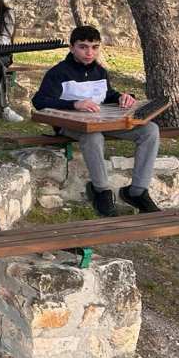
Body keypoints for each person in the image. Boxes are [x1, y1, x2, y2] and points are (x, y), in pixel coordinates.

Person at [31, 25, 161, 217]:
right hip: (70, 125)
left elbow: (106, 95)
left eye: (94, 47)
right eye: (83, 47)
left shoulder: (100, 72)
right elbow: (39, 101)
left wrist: (122, 97)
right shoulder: (58, 73)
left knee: (150, 130)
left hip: (102, 121)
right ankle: (101, 191)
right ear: (72, 47)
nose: (89, 52)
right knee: (93, 136)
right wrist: (74, 104)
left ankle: (137, 192)